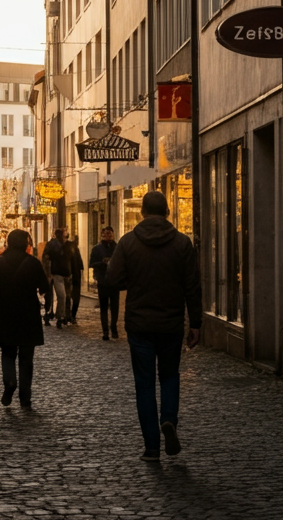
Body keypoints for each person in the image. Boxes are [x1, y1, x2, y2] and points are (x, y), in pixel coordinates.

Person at [106, 191, 202, 461]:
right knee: (170, 376)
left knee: (144, 384)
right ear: (168, 212)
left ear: (142, 212)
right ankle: (168, 419)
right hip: (171, 323)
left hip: (139, 324)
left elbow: (113, 280)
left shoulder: (127, 243)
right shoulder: (182, 244)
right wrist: (195, 323)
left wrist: (133, 282)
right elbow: (192, 287)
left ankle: (151, 447)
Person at [0, 229, 48, 408]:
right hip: (28, 315)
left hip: (6, 313)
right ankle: (25, 397)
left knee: (8, 354)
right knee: (26, 358)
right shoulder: (33, 263)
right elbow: (44, 287)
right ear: (25, 243)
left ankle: (10, 381)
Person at [89, 226, 121, 340]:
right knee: (103, 307)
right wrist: (101, 263)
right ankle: (105, 331)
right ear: (102, 235)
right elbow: (91, 263)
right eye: (106, 234)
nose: (108, 236)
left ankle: (113, 327)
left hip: (114, 281)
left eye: (110, 234)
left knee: (115, 307)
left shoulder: (117, 248)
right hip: (102, 281)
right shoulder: (97, 249)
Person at [43, 229, 71, 327]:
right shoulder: (53, 245)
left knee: (63, 296)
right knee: (60, 295)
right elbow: (46, 258)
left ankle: (61, 315)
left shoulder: (68, 245)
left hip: (65, 273)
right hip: (56, 273)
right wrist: (48, 273)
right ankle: (56, 315)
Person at [66, 234, 85, 324]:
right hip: (70, 276)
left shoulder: (75, 250)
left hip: (75, 276)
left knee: (74, 297)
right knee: (68, 297)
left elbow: (80, 264)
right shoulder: (68, 249)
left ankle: (71, 315)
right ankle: (69, 315)